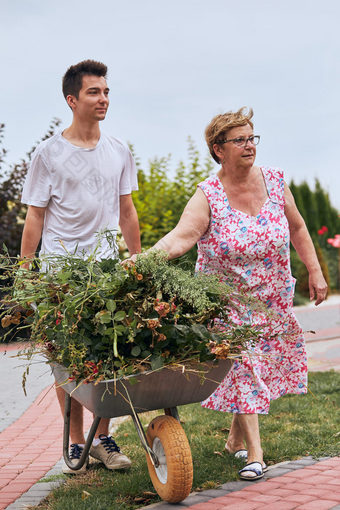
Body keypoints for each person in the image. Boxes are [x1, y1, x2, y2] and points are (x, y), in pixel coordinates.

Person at [130, 107, 327, 480]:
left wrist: (314, 271)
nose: (249, 145)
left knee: (260, 369)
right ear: (218, 149)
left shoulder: (274, 181)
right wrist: (146, 260)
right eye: (240, 140)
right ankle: (256, 453)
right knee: (243, 364)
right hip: (227, 301)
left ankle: (234, 442)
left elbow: (298, 228)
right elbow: (182, 236)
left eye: (252, 138)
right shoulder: (208, 195)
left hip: (272, 297)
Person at [20, 59, 141, 473]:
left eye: (106, 91)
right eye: (94, 92)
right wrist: (26, 270)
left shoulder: (119, 149)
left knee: (110, 356)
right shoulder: (48, 155)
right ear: (72, 100)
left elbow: (127, 211)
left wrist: (136, 261)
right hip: (60, 272)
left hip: (106, 269)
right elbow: (35, 215)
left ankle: (102, 437)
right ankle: (75, 442)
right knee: (68, 358)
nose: (103, 98)